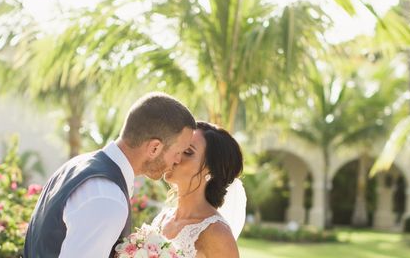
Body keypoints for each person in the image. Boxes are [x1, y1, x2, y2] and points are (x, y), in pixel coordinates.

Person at [23, 92, 197, 258]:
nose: (178, 160)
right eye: (178, 152)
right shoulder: (107, 197)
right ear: (154, 148)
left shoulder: (76, 166)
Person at [151, 121, 244, 258]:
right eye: (178, 147)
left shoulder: (217, 232)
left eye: (188, 152)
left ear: (211, 170)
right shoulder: (162, 218)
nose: (176, 156)